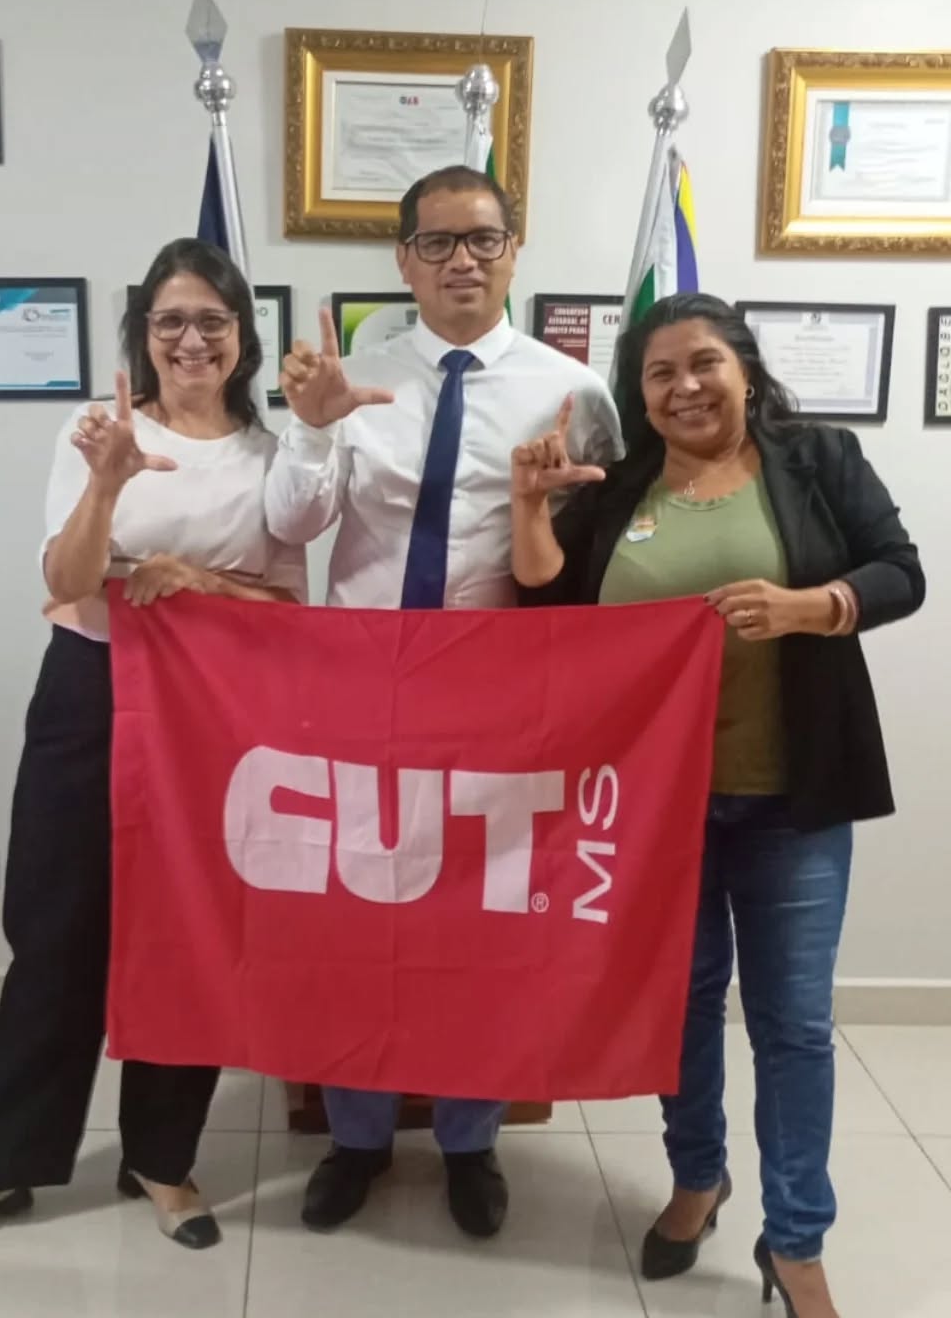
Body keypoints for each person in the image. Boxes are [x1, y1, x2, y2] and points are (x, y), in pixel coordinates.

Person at [0, 238, 306, 1268]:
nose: (191, 337)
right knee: (56, 929)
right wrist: (107, 487)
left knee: (191, 933)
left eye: (212, 319)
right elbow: (68, 578)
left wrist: (202, 583)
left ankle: (161, 1157)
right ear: (143, 334)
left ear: (243, 336)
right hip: (89, 695)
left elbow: (292, 604)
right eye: (170, 320)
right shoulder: (94, 432)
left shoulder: (271, 454)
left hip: (217, 713)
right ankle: (2, 1166)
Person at [510, 292, 924, 1318]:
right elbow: (543, 602)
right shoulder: (622, 484)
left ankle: (796, 1244)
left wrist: (813, 607)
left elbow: (899, 572)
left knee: (793, 1027)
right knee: (683, 1008)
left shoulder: (816, 459)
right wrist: (528, 508)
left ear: (745, 368)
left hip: (792, 799)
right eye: (660, 374)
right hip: (655, 812)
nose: (686, 387)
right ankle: (698, 1177)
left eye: (705, 364)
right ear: (639, 397)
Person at [264, 163, 623, 1238]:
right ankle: (358, 1134)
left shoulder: (574, 392)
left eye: (482, 239)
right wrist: (315, 426)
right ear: (403, 261)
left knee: (482, 924)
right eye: (437, 243)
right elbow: (291, 527)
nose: (461, 259)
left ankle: (471, 1138)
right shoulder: (352, 376)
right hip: (362, 688)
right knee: (354, 919)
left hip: (500, 697)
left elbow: (591, 566)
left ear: (515, 251)